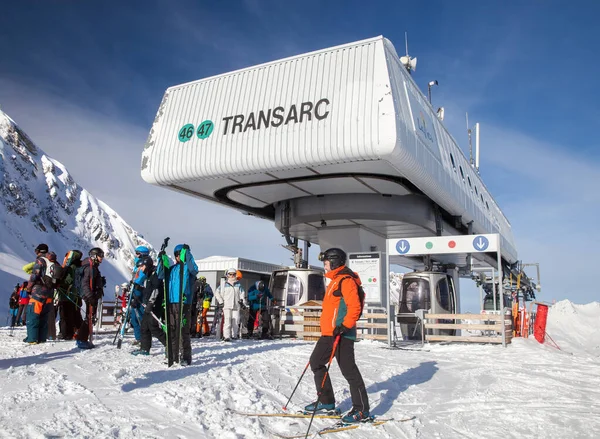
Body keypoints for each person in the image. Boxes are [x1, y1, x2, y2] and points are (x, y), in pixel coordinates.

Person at [305, 247, 370, 423]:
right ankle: (326, 402)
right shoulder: (334, 280)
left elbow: (354, 307)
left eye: (326, 262)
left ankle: (362, 410)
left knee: (349, 371)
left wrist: (344, 326)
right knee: (316, 362)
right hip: (329, 333)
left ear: (333, 262)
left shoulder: (346, 280)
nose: (324, 265)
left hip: (342, 334)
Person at [157, 244, 198, 366]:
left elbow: (194, 269)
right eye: (176, 254)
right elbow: (160, 275)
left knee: (183, 330)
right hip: (171, 302)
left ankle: (185, 356)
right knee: (171, 329)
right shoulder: (173, 269)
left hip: (184, 302)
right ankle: (172, 354)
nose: (178, 257)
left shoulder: (188, 268)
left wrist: (188, 254)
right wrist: (161, 260)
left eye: (180, 254)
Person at [132, 257, 167, 356]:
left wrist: (151, 303)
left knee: (153, 327)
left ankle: (169, 345)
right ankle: (144, 348)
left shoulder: (154, 275)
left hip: (154, 305)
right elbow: (148, 291)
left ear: (146, 265)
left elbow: (156, 290)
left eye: (142, 266)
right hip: (148, 305)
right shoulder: (148, 276)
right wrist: (139, 289)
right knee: (144, 327)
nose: (140, 269)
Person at [23, 244, 54, 344]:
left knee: (33, 315)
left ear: (39, 251)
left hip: (38, 293)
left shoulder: (40, 261)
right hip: (50, 294)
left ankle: (32, 338)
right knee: (44, 317)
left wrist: (28, 289)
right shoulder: (53, 261)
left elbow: (34, 276)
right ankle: (42, 338)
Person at [75, 248, 105, 349]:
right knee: (89, 317)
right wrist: (90, 296)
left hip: (92, 295)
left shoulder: (93, 267)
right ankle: (81, 340)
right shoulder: (90, 268)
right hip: (90, 296)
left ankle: (82, 339)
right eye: (100, 256)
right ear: (94, 256)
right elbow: (85, 283)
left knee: (90, 317)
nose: (102, 258)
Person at [56, 250, 83, 340]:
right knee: (73, 314)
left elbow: (68, 280)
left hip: (66, 294)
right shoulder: (79, 267)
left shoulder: (71, 267)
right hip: (75, 295)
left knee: (64, 315)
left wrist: (59, 283)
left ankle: (65, 333)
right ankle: (73, 332)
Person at [214, 268, 246, 341]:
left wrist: (242, 302)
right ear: (227, 275)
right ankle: (227, 336)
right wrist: (221, 301)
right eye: (230, 274)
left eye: (233, 274)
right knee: (227, 320)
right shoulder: (224, 284)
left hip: (236, 305)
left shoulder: (238, 285)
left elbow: (242, 294)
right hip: (227, 305)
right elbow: (217, 293)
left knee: (236, 320)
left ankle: (234, 335)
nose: (232, 276)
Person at [129, 246, 151, 346]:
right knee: (134, 316)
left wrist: (136, 293)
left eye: (138, 253)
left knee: (140, 316)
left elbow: (140, 280)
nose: (136, 255)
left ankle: (144, 338)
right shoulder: (138, 265)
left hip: (140, 293)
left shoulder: (145, 265)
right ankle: (138, 337)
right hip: (135, 290)